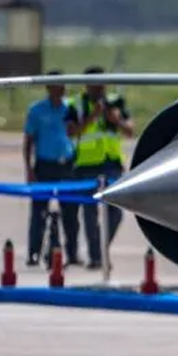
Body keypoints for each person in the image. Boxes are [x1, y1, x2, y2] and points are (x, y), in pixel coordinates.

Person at [64, 68, 134, 269]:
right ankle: (96, 257)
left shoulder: (115, 102)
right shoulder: (76, 105)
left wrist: (116, 120)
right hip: (87, 165)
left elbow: (130, 131)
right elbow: (71, 132)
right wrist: (92, 116)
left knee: (116, 213)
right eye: (95, 86)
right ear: (87, 86)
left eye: (102, 85)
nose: (99, 89)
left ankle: (101, 249)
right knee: (90, 212)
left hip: (112, 164)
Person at [21, 71, 78, 267]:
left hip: (66, 165)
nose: (61, 89)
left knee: (70, 212)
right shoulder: (36, 110)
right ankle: (34, 252)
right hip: (44, 165)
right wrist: (29, 169)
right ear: (48, 87)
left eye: (63, 85)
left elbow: (77, 131)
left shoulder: (70, 107)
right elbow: (28, 141)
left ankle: (72, 253)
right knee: (39, 211)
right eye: (56, 85)